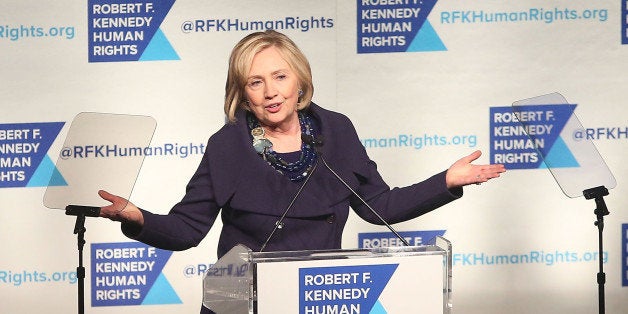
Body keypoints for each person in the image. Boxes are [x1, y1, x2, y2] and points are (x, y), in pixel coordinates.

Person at [98, 30, 506, 313]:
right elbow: (187, 229)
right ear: (242, 93)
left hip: (316, 296)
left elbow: (379, 205)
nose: (271, 92)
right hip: (241, 302)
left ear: (300, 80)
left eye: (280, 76)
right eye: (255, 82)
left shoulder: (337, 131)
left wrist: (447, 181)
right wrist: (137, 219)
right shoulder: (227, 145)